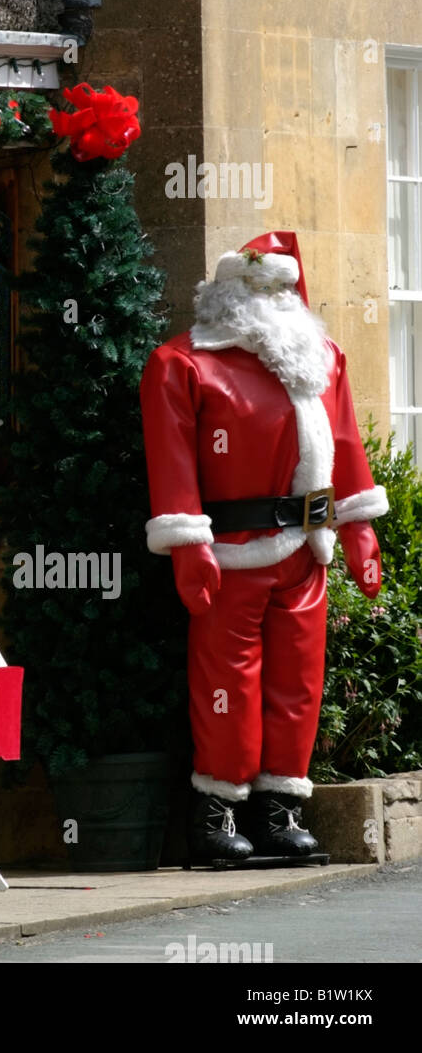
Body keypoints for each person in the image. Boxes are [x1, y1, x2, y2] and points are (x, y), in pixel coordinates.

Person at [140, 232, 387, 862]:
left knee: (298, 682)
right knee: (228, 681)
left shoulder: (322, 358)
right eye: (259, 287)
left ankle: (281, 808)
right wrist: (188, 543)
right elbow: (172, 463)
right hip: (232, 553)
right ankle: (217, 811)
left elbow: (347, 445)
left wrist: (359, 526)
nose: (274, 299)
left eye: (282, 287)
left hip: (308, 550)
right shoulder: (183, 364)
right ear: (225, 293)